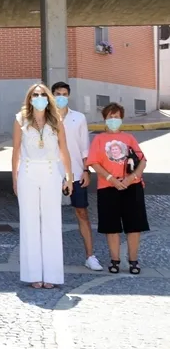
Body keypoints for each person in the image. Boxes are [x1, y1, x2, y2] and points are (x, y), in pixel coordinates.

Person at [12, 83, 73, 289]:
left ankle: (53, 275)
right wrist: (14, 177)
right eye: (35, 95)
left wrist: (69, 177)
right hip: (28, 172)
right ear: (29, 99)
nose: (39, 97)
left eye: (42, 94)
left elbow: (64, 149)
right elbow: (16, 152)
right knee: (29, 223)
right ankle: (32, 274)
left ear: (48, 98)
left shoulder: (57, 121)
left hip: (50, 172)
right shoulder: (20, 120)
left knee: (51, 223)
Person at [86, 103, 149, 275]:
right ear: (105, 119)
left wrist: (131, 178)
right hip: (108, 187)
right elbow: (93, 163)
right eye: (110, 116)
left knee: (134, 226)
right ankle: (114, 260)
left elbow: (142, 160)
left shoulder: (129, 138)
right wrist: (111, 179)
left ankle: (133, 261)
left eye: (117, 116)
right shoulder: (99, 139)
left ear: (121, 118)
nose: (114, 120)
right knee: (111, 226)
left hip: (132, 187)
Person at [51, 81, 102, 271]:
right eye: (57, 93)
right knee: (49, 216)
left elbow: (84, 147)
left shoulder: (78, 118)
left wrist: (87, 170)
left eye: (64, 93)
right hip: (51, 174)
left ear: (69, 95)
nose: (61, 97)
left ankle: (90, 256)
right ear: (52, 94)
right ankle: (50, 257)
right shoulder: (45, 118)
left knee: (82, 213)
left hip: (76, 173)